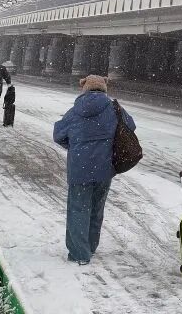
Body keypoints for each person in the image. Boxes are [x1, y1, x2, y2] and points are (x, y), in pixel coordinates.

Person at [52, 75, 135, 266]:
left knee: (78, 209)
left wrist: (75, 145)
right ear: (104, 88)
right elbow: (130, 126)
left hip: (79, 168)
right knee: (96, 209)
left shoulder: (75, 111)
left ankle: (79, 253)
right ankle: (90, 246)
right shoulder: (114, 108)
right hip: (104, 168)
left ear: (85, 88)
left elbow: (58, 135)